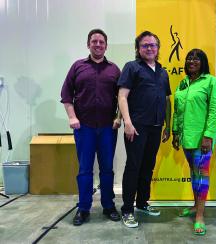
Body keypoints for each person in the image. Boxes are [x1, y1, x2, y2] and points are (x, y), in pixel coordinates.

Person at [61, 29, 121, 226]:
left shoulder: (114, 69)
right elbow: (66, 94)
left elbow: (123, 97)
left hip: (107, 128)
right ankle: (83, 208)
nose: (97, 44)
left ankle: (108, 206)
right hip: (84, 128)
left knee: (107, 169)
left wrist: (119, 118)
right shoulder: (77, 67)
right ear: (88, 44)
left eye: (101, 42)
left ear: (106, 45)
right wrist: (72, 117)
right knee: (85, 170)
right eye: (94, 41)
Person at [118, 31, 171, 228]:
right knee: (133, 167)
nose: (149, 48)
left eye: (153, 45)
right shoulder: (132, 68)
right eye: (145, 45)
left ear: (158, 48)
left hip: (156, 127)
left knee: (148, 166)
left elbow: (166, 100)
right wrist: (128, 123)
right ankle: (127, 210)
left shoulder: (163, 72)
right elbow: (122, 96)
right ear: (138, 49)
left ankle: (142, 203)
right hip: (137, 127)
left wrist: (167, 125)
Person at [172, 49, 216, 235]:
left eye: (196, 58)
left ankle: (200, 216)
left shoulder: (211, 82)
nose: (192, 61)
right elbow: (177, 111)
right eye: (189, 58)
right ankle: (195, 206)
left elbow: (215, 111)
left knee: (201, 177)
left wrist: (208, 136)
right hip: (187, 139)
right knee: (194, 174)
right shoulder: (183, 83)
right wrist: (176, 132)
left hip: (202, 140)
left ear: (203, 62)